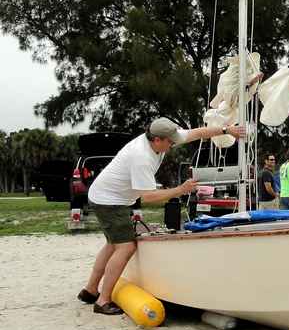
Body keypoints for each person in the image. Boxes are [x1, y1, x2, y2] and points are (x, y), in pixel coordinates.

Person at [78, 117, 245, 316]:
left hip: (106, 196)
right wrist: (180, 190)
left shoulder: (162, 136)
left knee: (113, 245)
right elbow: (148, 197)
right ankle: (103, 301)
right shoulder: (141, 157)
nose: (173, 144)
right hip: (109, 201)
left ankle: (90, 290)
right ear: (157, 140)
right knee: (126, 247)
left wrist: (226, 130)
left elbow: (198, 133)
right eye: (170, 141)